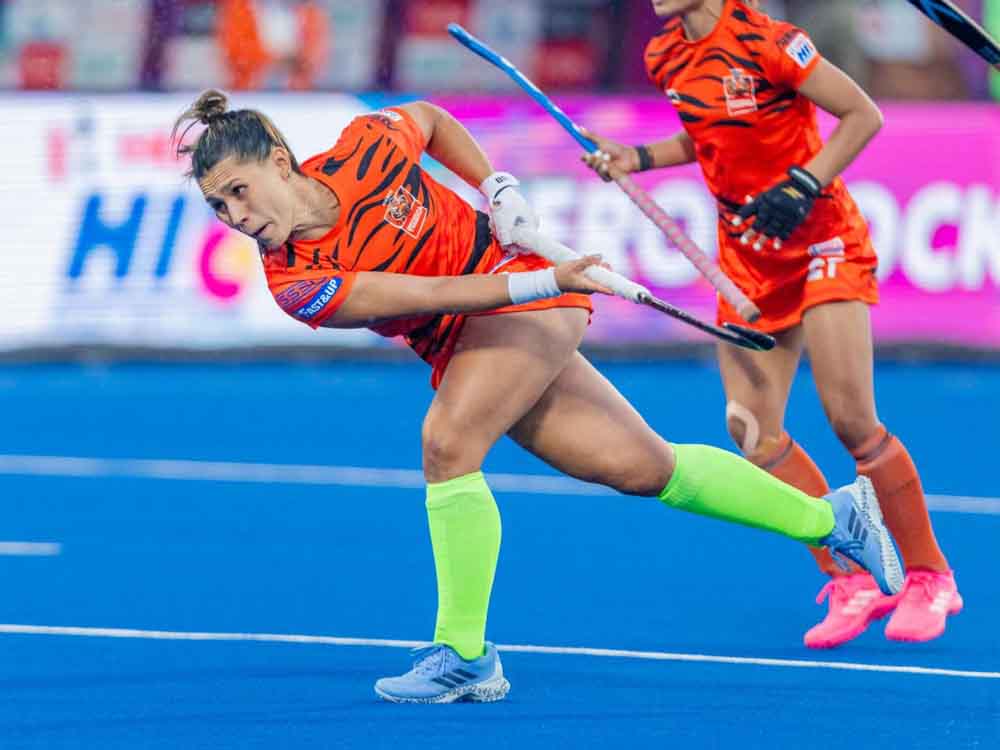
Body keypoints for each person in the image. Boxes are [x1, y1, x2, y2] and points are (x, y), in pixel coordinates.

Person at [172, 88, 902, 704]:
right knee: (648, 469)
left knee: (448, 443)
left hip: (523, 305)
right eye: (217, 205)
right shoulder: (296, 282)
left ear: (279, 161)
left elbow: (431, 120)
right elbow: (428, 293)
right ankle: (831, 516)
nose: (234, 215)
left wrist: (497, 188)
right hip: (490, 318)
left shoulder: (364, 147)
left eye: (239, 190)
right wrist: (548, 277)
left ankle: (465, 654)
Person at [582, 0, 961, 649]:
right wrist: (636, 157)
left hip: (821, 240)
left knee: (853, 423)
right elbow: (705, 136)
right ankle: (852, 576)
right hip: (748, 257)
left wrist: (803, 184)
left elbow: (862, 115)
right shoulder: (664, 53)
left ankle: (930, 576)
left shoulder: (770, 41)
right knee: (752, 431)